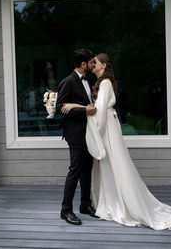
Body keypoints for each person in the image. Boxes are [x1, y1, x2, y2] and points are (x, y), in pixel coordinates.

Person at [61, 53, 171, 230]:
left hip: (105, 130)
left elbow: (99, 112)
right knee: (109, 166)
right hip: (105, 129)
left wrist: (87, 121)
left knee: (112, 166)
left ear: (104, 65)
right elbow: (94, 108)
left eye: (95, 63)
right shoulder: (96, 82)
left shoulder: (103, 83)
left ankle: (112, 203)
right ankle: (77, 207)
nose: (92, 65)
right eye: (91, 62)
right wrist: (78, 108)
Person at [56, 48, 98, 226]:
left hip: (89, 132)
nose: (93, 65)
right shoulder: (68, 81)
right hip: (75, 134)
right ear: (83, 64)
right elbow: (60, 107)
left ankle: (85, 205)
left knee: (86, 170)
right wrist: (84, 110)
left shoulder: (89, 80)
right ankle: (66, 210)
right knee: (75, 170)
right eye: (91, 62)